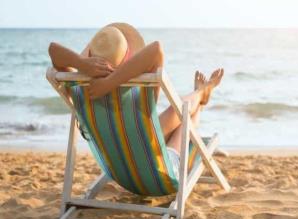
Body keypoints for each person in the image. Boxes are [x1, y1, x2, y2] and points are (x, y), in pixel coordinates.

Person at [48, 23, 223, 174]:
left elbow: (53, 50)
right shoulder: (135, 97)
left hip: (119, 169)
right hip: (158, 170)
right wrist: (109, 82)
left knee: (176, 111)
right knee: (184, 113)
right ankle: (201, 95)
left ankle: (200, 94)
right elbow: (156, 49)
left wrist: (82, 63)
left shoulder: (81, 92)